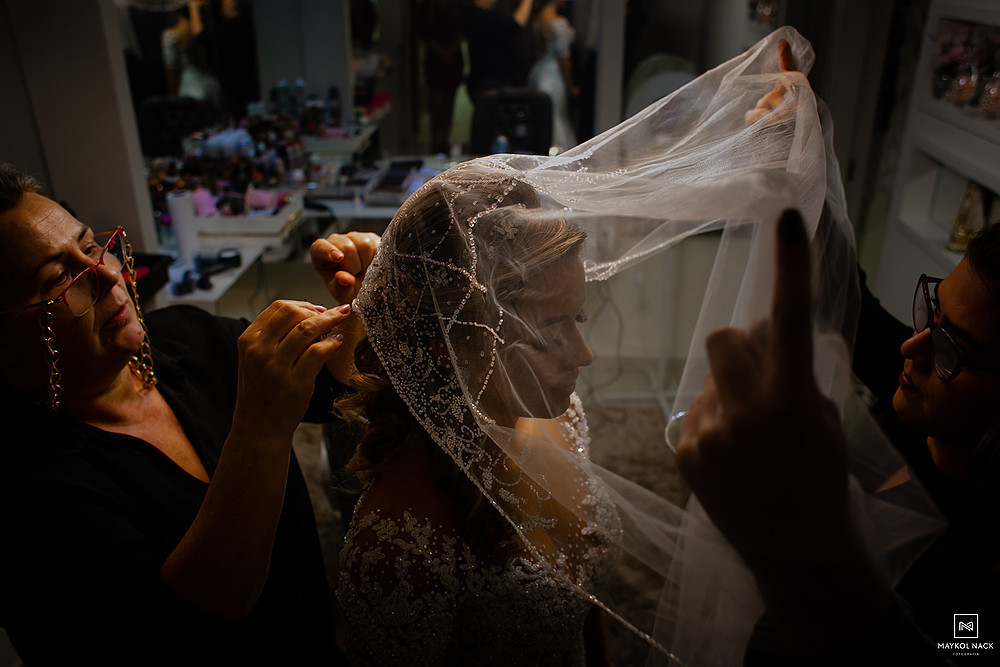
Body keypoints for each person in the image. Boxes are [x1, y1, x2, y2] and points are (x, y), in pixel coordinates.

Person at [0, 163, 378, 666]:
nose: (109, 274)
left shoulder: (185, 336)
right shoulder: (27, 492)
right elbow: (193, 621)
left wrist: (359, 302)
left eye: (91, 247)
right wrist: (259, 425)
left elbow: (334, 387)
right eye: (61, 277)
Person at [529, 0, 578, 152]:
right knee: (556, 119)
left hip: (539, 72)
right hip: (554, 75)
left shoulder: (538, 19)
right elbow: (564, 58)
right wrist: (570, 86)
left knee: (545, 120)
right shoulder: (558, 23)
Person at [465, 0, 535, 103]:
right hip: (489, 84)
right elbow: (515, 25)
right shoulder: (476, 15)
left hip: (491, 82)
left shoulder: (481, 14)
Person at [420, 0, 465, 155]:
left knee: (449, 102)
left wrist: (450, 51)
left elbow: (463, 30)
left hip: (453, 59)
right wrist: (440, 52)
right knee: (436, 103)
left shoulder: (458, 5)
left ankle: (444, 139)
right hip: (434, 60)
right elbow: (424, 32)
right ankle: (435, 140)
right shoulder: (429, 7)